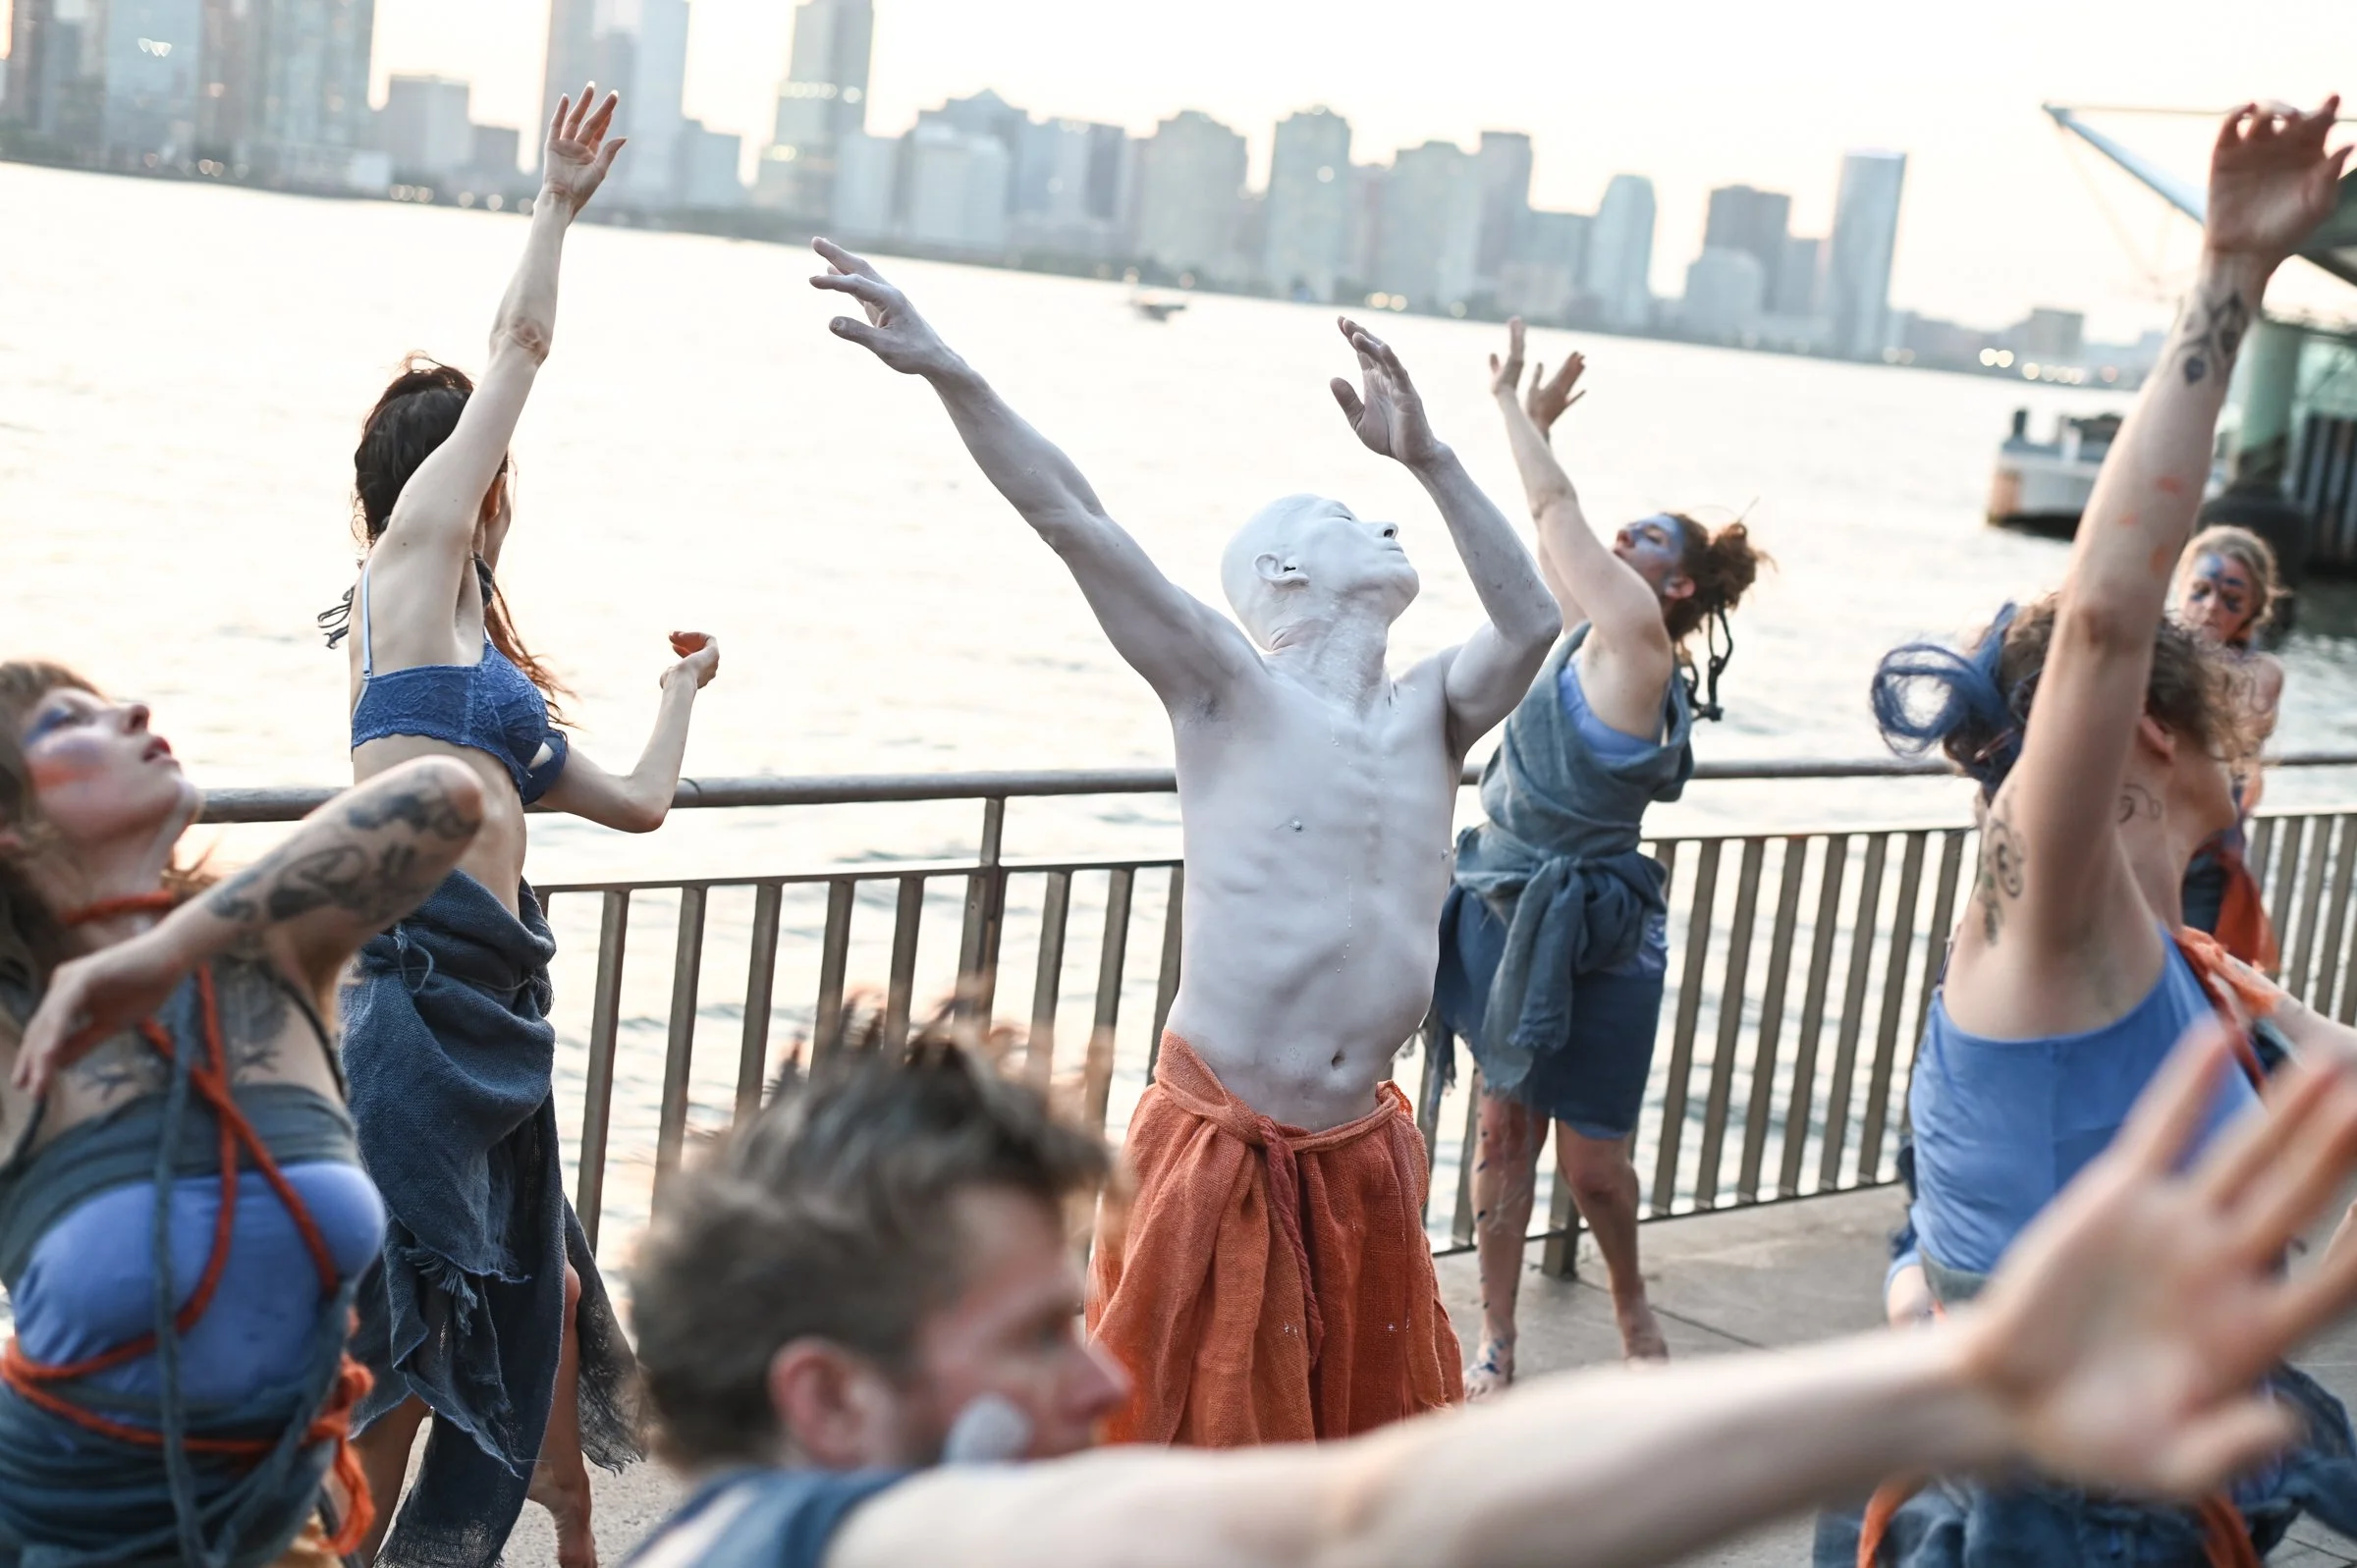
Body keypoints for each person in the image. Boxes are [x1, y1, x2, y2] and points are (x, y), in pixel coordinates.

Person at [618, 1003, 2357, 1568]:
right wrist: (1972, 1383)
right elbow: (1364, 1518)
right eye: (1026, 1339)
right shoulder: (827, 1540)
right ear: (826, 1400)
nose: (1101, 1376)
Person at [814, 239, 1562, 1446]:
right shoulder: (1228, 687)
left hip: (1361, 1147)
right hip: (1223, 1141)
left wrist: (1429, 456)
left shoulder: (1430, 709)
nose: (1380, 519)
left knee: (1356, 1460)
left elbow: (1532, 618)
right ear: (1281, 570)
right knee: (1174, 1454)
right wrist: (948, 366)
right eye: (1346, 516)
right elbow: (1072, 516)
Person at [1849, 97, 2356, 1564]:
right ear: (2149, 726)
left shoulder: (2178, 963)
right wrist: (2228, 276)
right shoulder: (2045, 924)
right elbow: (2105, 622)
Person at [333, 85, 723, 1568]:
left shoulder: (484, 677)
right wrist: (554, 207)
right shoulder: (402, 577)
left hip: (498, 1021)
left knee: (501, 1319)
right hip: (416, 1009)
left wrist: (679, 692)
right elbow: (521, 347)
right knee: (408, 1331)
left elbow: (637, 804)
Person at [0, 660, 488, 1566]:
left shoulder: (275, 960)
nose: (131, 710)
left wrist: (163, 952)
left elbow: (449, 795)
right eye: (69, 720)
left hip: (273, 1526)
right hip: (59, 1530)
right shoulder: (11, 1036)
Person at [1435, 321, 1765, 1385]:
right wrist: (1536, 428)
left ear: (1680, 587)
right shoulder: (1591, 628)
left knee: (1594, 1166)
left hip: (1602, 925)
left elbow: (1554, 511)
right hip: (1508, 900)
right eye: (1627, 531)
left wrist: (1508, 407)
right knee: (1501, 1135)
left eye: (1650, 540)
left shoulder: (1638, 641)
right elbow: (1551, 534)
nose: (1624, 540)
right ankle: (1496, 1339)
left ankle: (1632, 1309)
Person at [2173, 524, 2288, 968]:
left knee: (2196, 973)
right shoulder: (2151, 653)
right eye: (2200, 591)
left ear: (2252, 609)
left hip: (2206, 860)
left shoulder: (2261, 671)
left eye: (2231, 599)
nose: (2210, 607)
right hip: (2138, 845)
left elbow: (2239, 723)